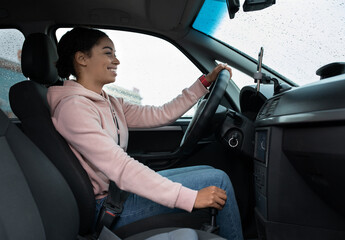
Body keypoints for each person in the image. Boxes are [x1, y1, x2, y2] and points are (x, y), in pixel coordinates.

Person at [47, 27, 243, 240]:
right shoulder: (74, 108)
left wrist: (203, 84)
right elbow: (120, 166)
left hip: (117, 193)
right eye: (107, 53)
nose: (116, 61)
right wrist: (188, 197)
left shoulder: (110, 102)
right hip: (107, 206)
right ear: (82, 58)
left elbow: (161, 114)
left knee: (210, 172)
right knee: (218, 180)